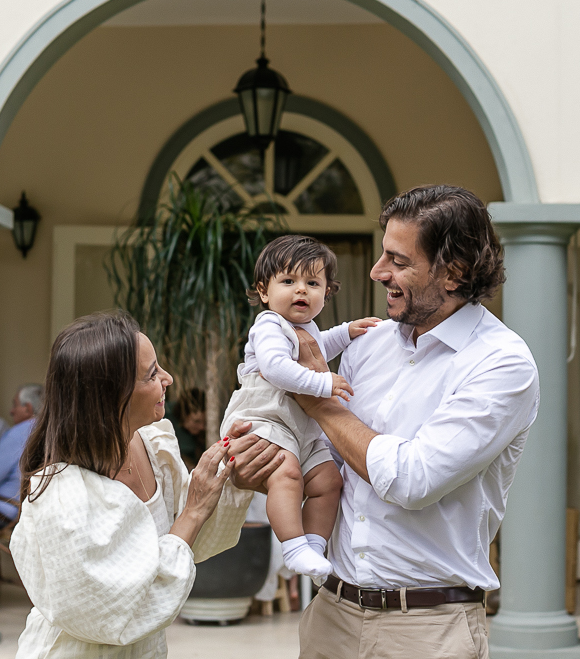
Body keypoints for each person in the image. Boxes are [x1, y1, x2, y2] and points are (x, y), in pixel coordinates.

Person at [231, 185, 540, 659]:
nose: (378, 272)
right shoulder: (369, 344)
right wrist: (265, 462)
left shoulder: (501, 363)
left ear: (454, 272)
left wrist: (318, 402)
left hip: (427, 630)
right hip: (331, 614)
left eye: (397, 261)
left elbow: (412, 480)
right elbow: (331, 460)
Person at [10, 311, 260, 658]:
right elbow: (116, 617)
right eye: (151, 374)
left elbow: (189, 545)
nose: (168, 379)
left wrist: (229, 473)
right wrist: (193, 510)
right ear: (111, 396)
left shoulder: (154, 445)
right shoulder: (61, 495)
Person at [220, 235, 380, 581]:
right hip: (264, 420)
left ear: (327, 292)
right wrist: (322, 384)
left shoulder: (306, 328)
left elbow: (320, 344)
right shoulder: (269, 325)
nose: (301, 290)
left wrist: (347, 333)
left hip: (300, 428)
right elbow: (276, 367)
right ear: (264, 291)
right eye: (289, 281)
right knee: (287, 473)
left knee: (329, 481)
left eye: (313, 283)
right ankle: (292, 547)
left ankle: (314, 546)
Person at [0, 383, 41, 527]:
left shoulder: (19, 433)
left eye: (15, 405)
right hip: (28, 512)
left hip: (2, 512)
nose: (11, 411)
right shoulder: (47, 432)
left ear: (28, 408)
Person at [165, 388, 206, 469]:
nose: (202, 427)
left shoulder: (202, 435)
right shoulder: (165, 419)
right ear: (184, 416)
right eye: (196, 421)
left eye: (205, 422)